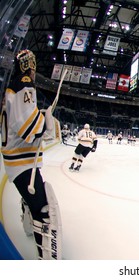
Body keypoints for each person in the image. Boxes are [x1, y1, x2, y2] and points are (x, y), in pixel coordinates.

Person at [1, 49, 60, 259]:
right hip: (22, 163)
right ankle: (46, 258)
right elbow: (27, 127)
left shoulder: (14, 87)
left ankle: (28, 212)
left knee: (32, 198)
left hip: (18, 161)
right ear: (29, 66)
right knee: (44, 211)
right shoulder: (24, 83)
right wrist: (45, 121)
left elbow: (22, 125)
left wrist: (42, 118)